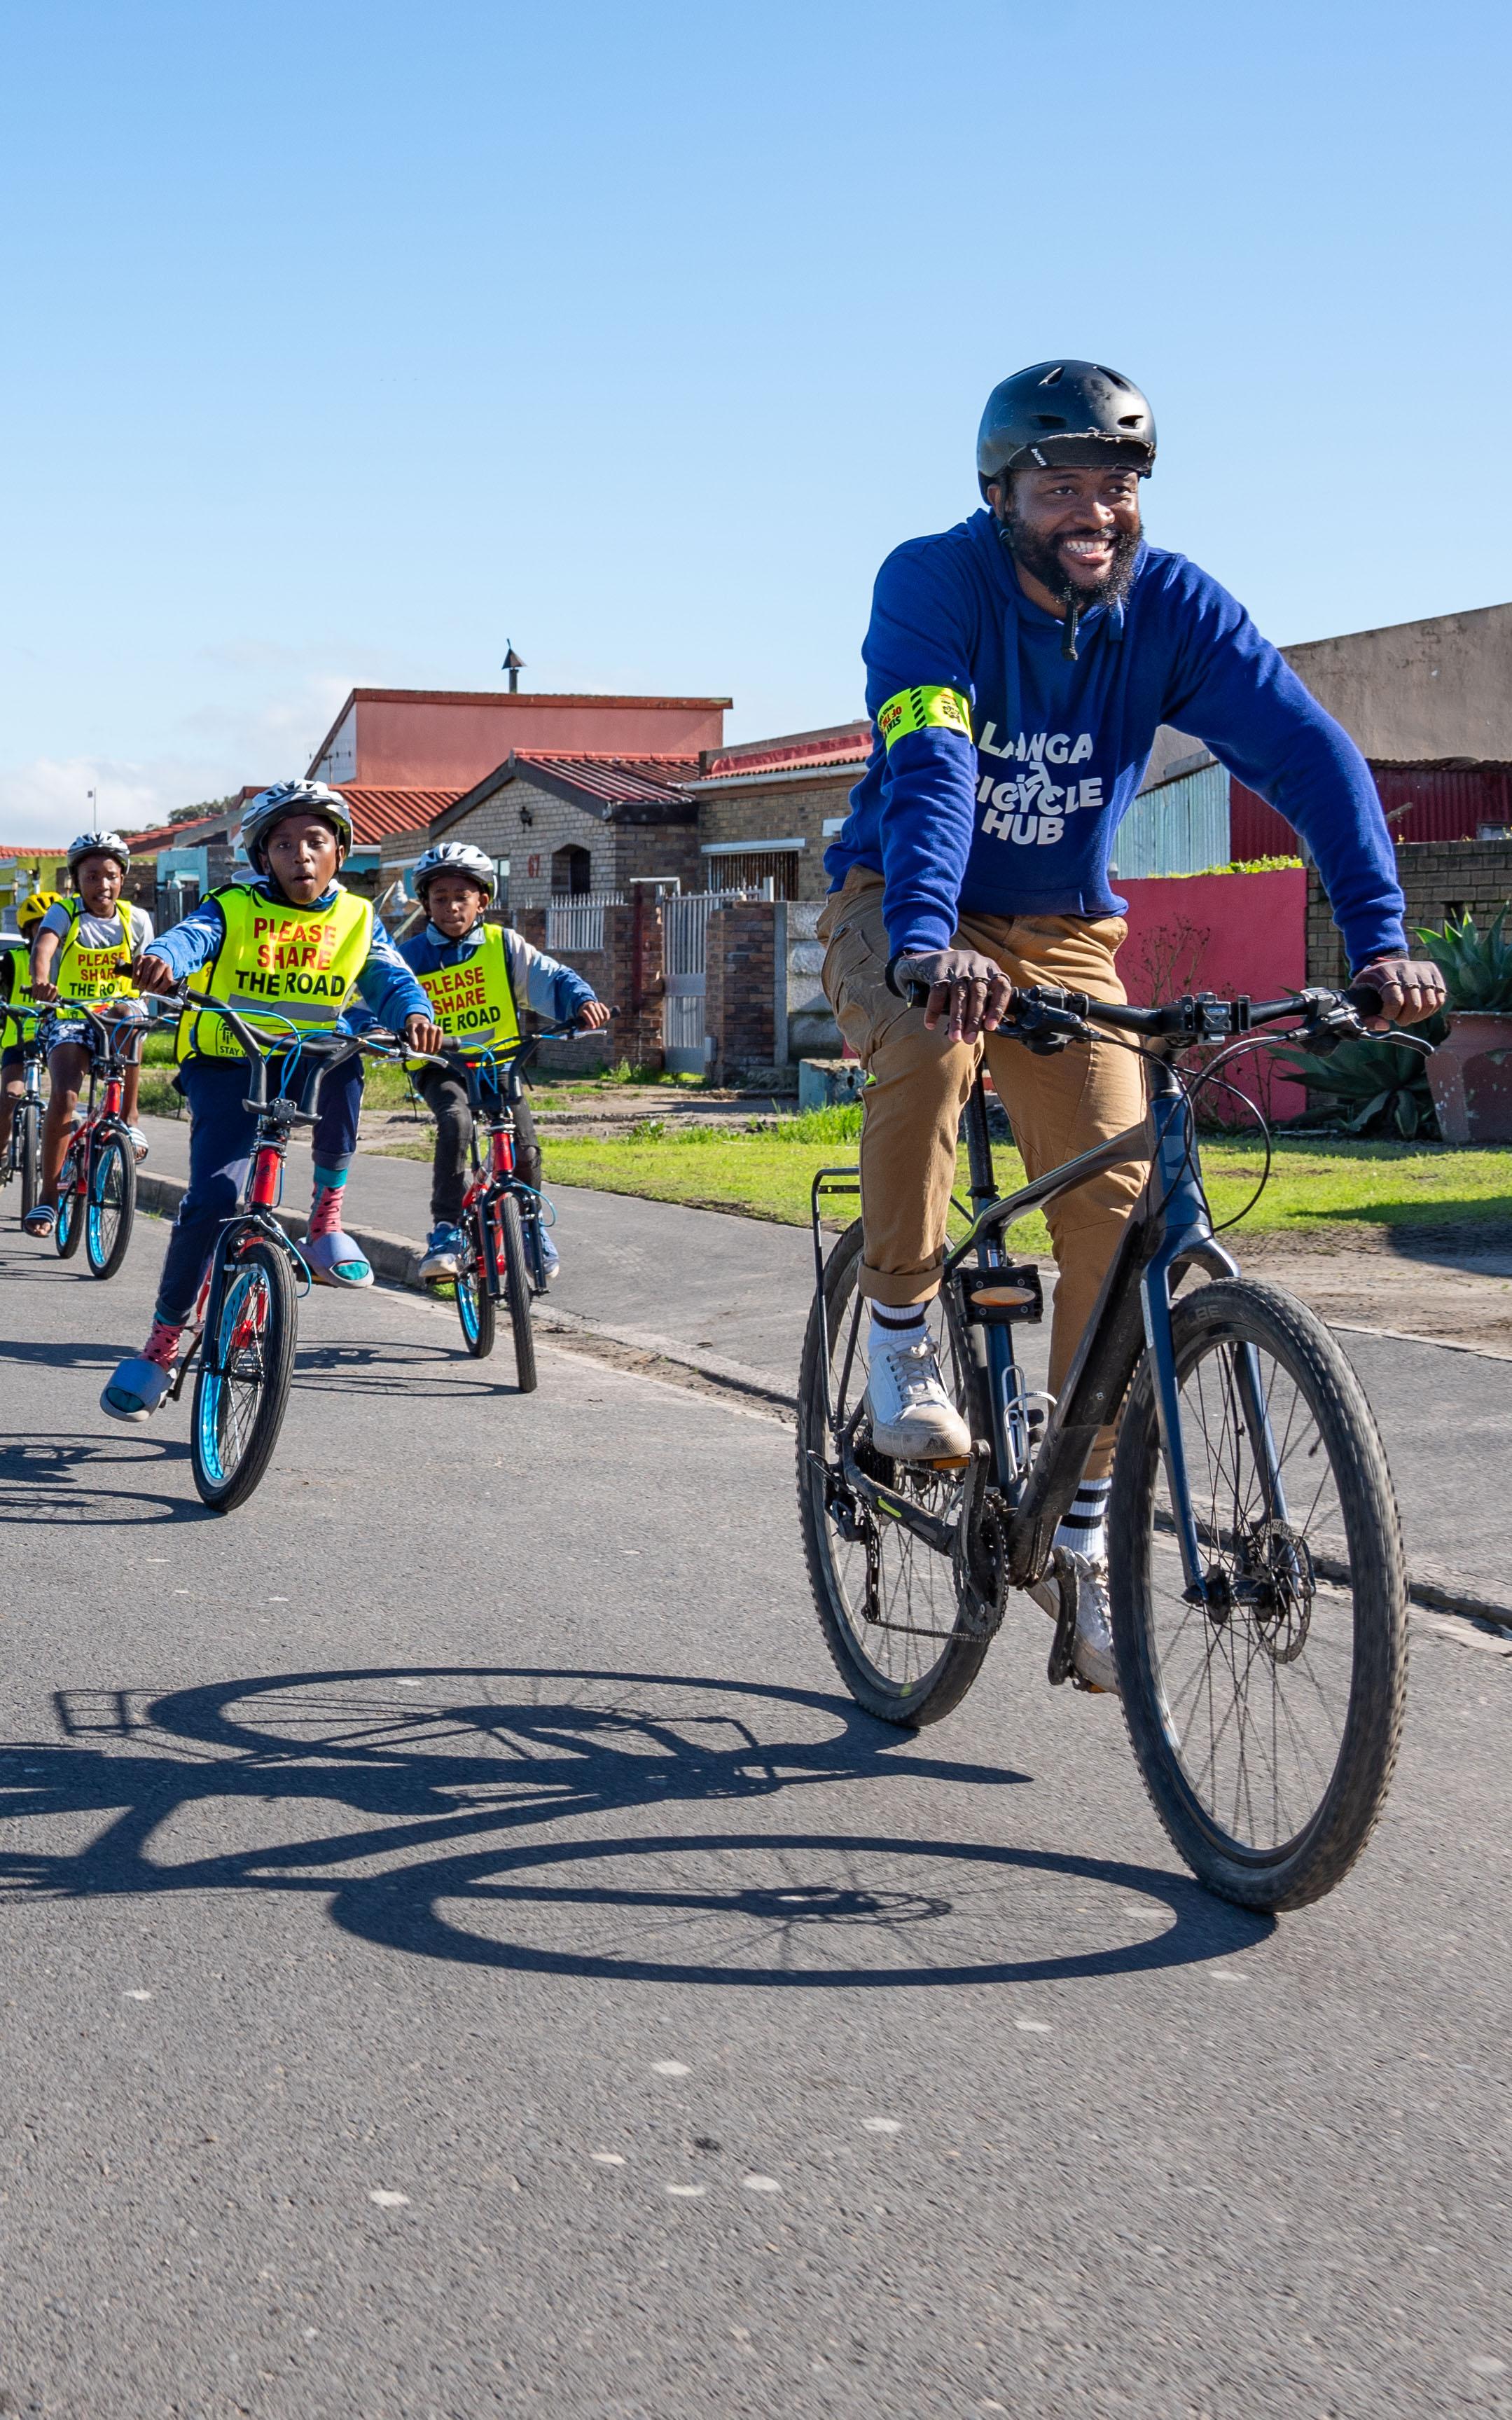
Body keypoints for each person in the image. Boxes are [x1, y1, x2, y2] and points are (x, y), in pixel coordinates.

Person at [819, 359, 1445, 1690]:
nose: (1091, 511)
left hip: (1060, 933)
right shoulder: (930, 586)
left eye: (1114, 485)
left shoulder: (1167, 608)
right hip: (904, 903)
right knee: (928, 1050)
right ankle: (893, 1342)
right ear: (1001, 496)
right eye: (1061, 487)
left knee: (1116, 1204)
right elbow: (932, 761)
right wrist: (926, 939)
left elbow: (1304, 751)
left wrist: (1381, 938)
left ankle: (1084, 1535)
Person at [99, 780, 441, 1422]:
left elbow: (390, 978)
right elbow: (190, 938)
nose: (300, 856)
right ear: (263, 858)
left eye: (315, 841)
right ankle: (163, 1344)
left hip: (305, 1060)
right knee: (214, 1198)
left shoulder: (359, 918)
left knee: (346, 1059)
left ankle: (325, 1221)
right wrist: (160, 959)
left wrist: (416, 1012)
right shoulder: (231, 904)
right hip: (230, 1059)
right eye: (283, 844)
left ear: (339, 852)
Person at [396, 841, 611, 1284]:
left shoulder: (504, 945)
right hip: (442, 1066)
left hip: (499, 1064)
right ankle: (446, 1232)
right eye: (440, 899)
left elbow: (552, 977)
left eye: (462, 897)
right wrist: (374, 1029)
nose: (452, 907)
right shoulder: (410, 957)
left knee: (524, 1145)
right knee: (455, 1122)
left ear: (483, 901)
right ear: (425, 904)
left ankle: (530, 1224)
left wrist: (583, 1001)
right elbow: (380, 997)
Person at [25, 836, 153, 1238]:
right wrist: (42, 981)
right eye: (92, 876)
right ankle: (47, 1195)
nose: (102, 885)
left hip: (118, 1011)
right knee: (64, 1095)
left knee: (130, 1016)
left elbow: (152, 966)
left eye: (111, 876)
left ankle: (128, 1120)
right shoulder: (65, 913)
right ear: (77, 881)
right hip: (71, 1013)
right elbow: (44, 949)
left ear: (123, 879)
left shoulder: (137, 919)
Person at [0, 890, 60, 1167]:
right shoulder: (12, 960)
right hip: (19, 1040)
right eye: (40, 928)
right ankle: (1, 1153)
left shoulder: (70, 959)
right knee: (11, 1095)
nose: (47, 935)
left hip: (59, 1037)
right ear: (28, 930)